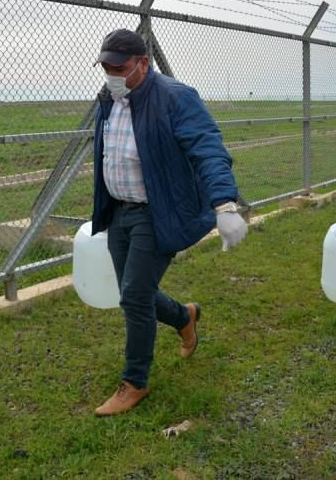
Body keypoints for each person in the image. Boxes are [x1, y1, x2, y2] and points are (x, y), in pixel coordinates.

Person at [90, 29, 248, 416]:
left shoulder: (176, 97)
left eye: (120, 67)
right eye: (106, 67)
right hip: (119, 209)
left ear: (143, 63)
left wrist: (225, 204)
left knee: (133, 296)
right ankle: (185, 316)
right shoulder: (111, 98)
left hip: (155, 212)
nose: (112, 74)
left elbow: (208, 148)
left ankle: (135, 382)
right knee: (135, 292)